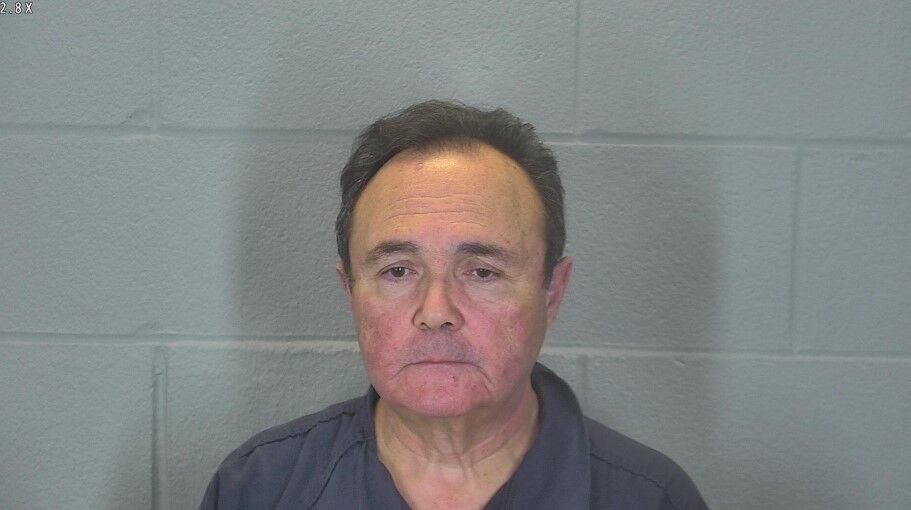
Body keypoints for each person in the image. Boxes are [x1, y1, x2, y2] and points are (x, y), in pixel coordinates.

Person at [201, 100, 709, 509]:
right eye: (398, 271)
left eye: (482, 272)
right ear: (350, 293)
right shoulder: (259, 490)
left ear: (551, 292)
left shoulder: (653, 498)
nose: (436, 311)